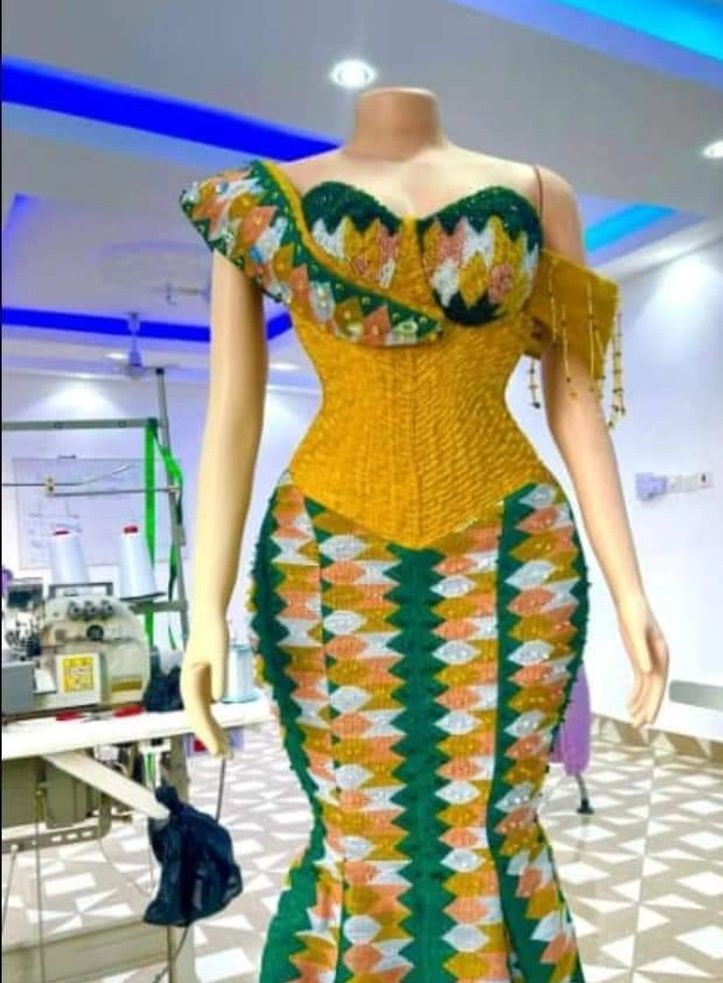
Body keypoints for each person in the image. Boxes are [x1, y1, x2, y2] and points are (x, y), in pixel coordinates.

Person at [179, 86, 669, 983]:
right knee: (356, 825)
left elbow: (574, 401)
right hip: (323, 557)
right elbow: (232, 415)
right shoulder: (257, 203)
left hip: (512, 554)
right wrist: (203, 609)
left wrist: (630, 590)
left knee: (494, 819)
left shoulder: (540, 193)